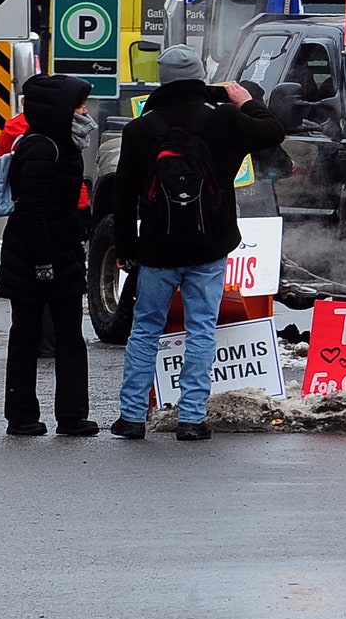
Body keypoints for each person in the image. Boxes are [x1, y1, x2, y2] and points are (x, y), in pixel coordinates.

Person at [111, 45, 285, 442]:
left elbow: (123, 194)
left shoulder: (140, 129)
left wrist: (125, 247)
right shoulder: (224, 119)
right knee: (202, 328)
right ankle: (191, 418)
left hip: (157, 248)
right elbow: (274, 131)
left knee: (145, 329)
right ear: (200, 76)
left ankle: (132, 416)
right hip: (210, 244)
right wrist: (248, 102)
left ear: (162, 79)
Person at [0, 74, 97, 437]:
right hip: (35, 255)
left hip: (59, 251)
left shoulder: (60, 143)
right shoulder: (42, 147)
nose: (84, 111)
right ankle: (22, 416)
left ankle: (71, 415)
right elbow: (32, 210)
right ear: (58, 109)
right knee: (27, 334)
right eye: (78, 105)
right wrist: (43, 261)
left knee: (70, 335)